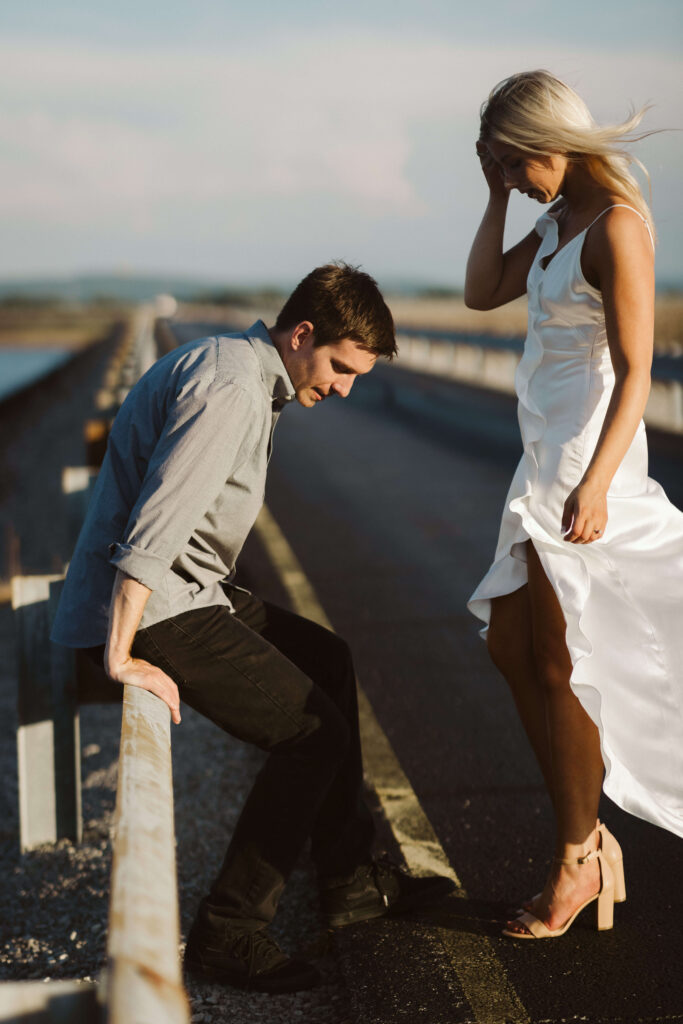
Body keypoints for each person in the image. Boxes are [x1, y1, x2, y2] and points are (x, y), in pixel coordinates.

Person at [51, 262, 454, 991]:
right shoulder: (233, 388)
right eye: (338, 366)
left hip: (190, 590)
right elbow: (155, 528)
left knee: (327, 660)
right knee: (311, 733)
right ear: (301, 334)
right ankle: (228, 932)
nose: (341, 388)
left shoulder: (242, 370)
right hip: (155, 604)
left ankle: (348, 877)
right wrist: (119, 656)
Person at [465, 71, 683, 940]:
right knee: (514, 649)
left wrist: (596, 481)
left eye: (513, 167)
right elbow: (482, 291)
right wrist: (497, 200)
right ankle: (583, 841)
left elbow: (637, 371)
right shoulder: (557, 222)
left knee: (561, 660)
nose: (514, 183)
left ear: (545, 142)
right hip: (539, 463)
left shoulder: (617, 228)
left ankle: (576, 857)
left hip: (584, 468)